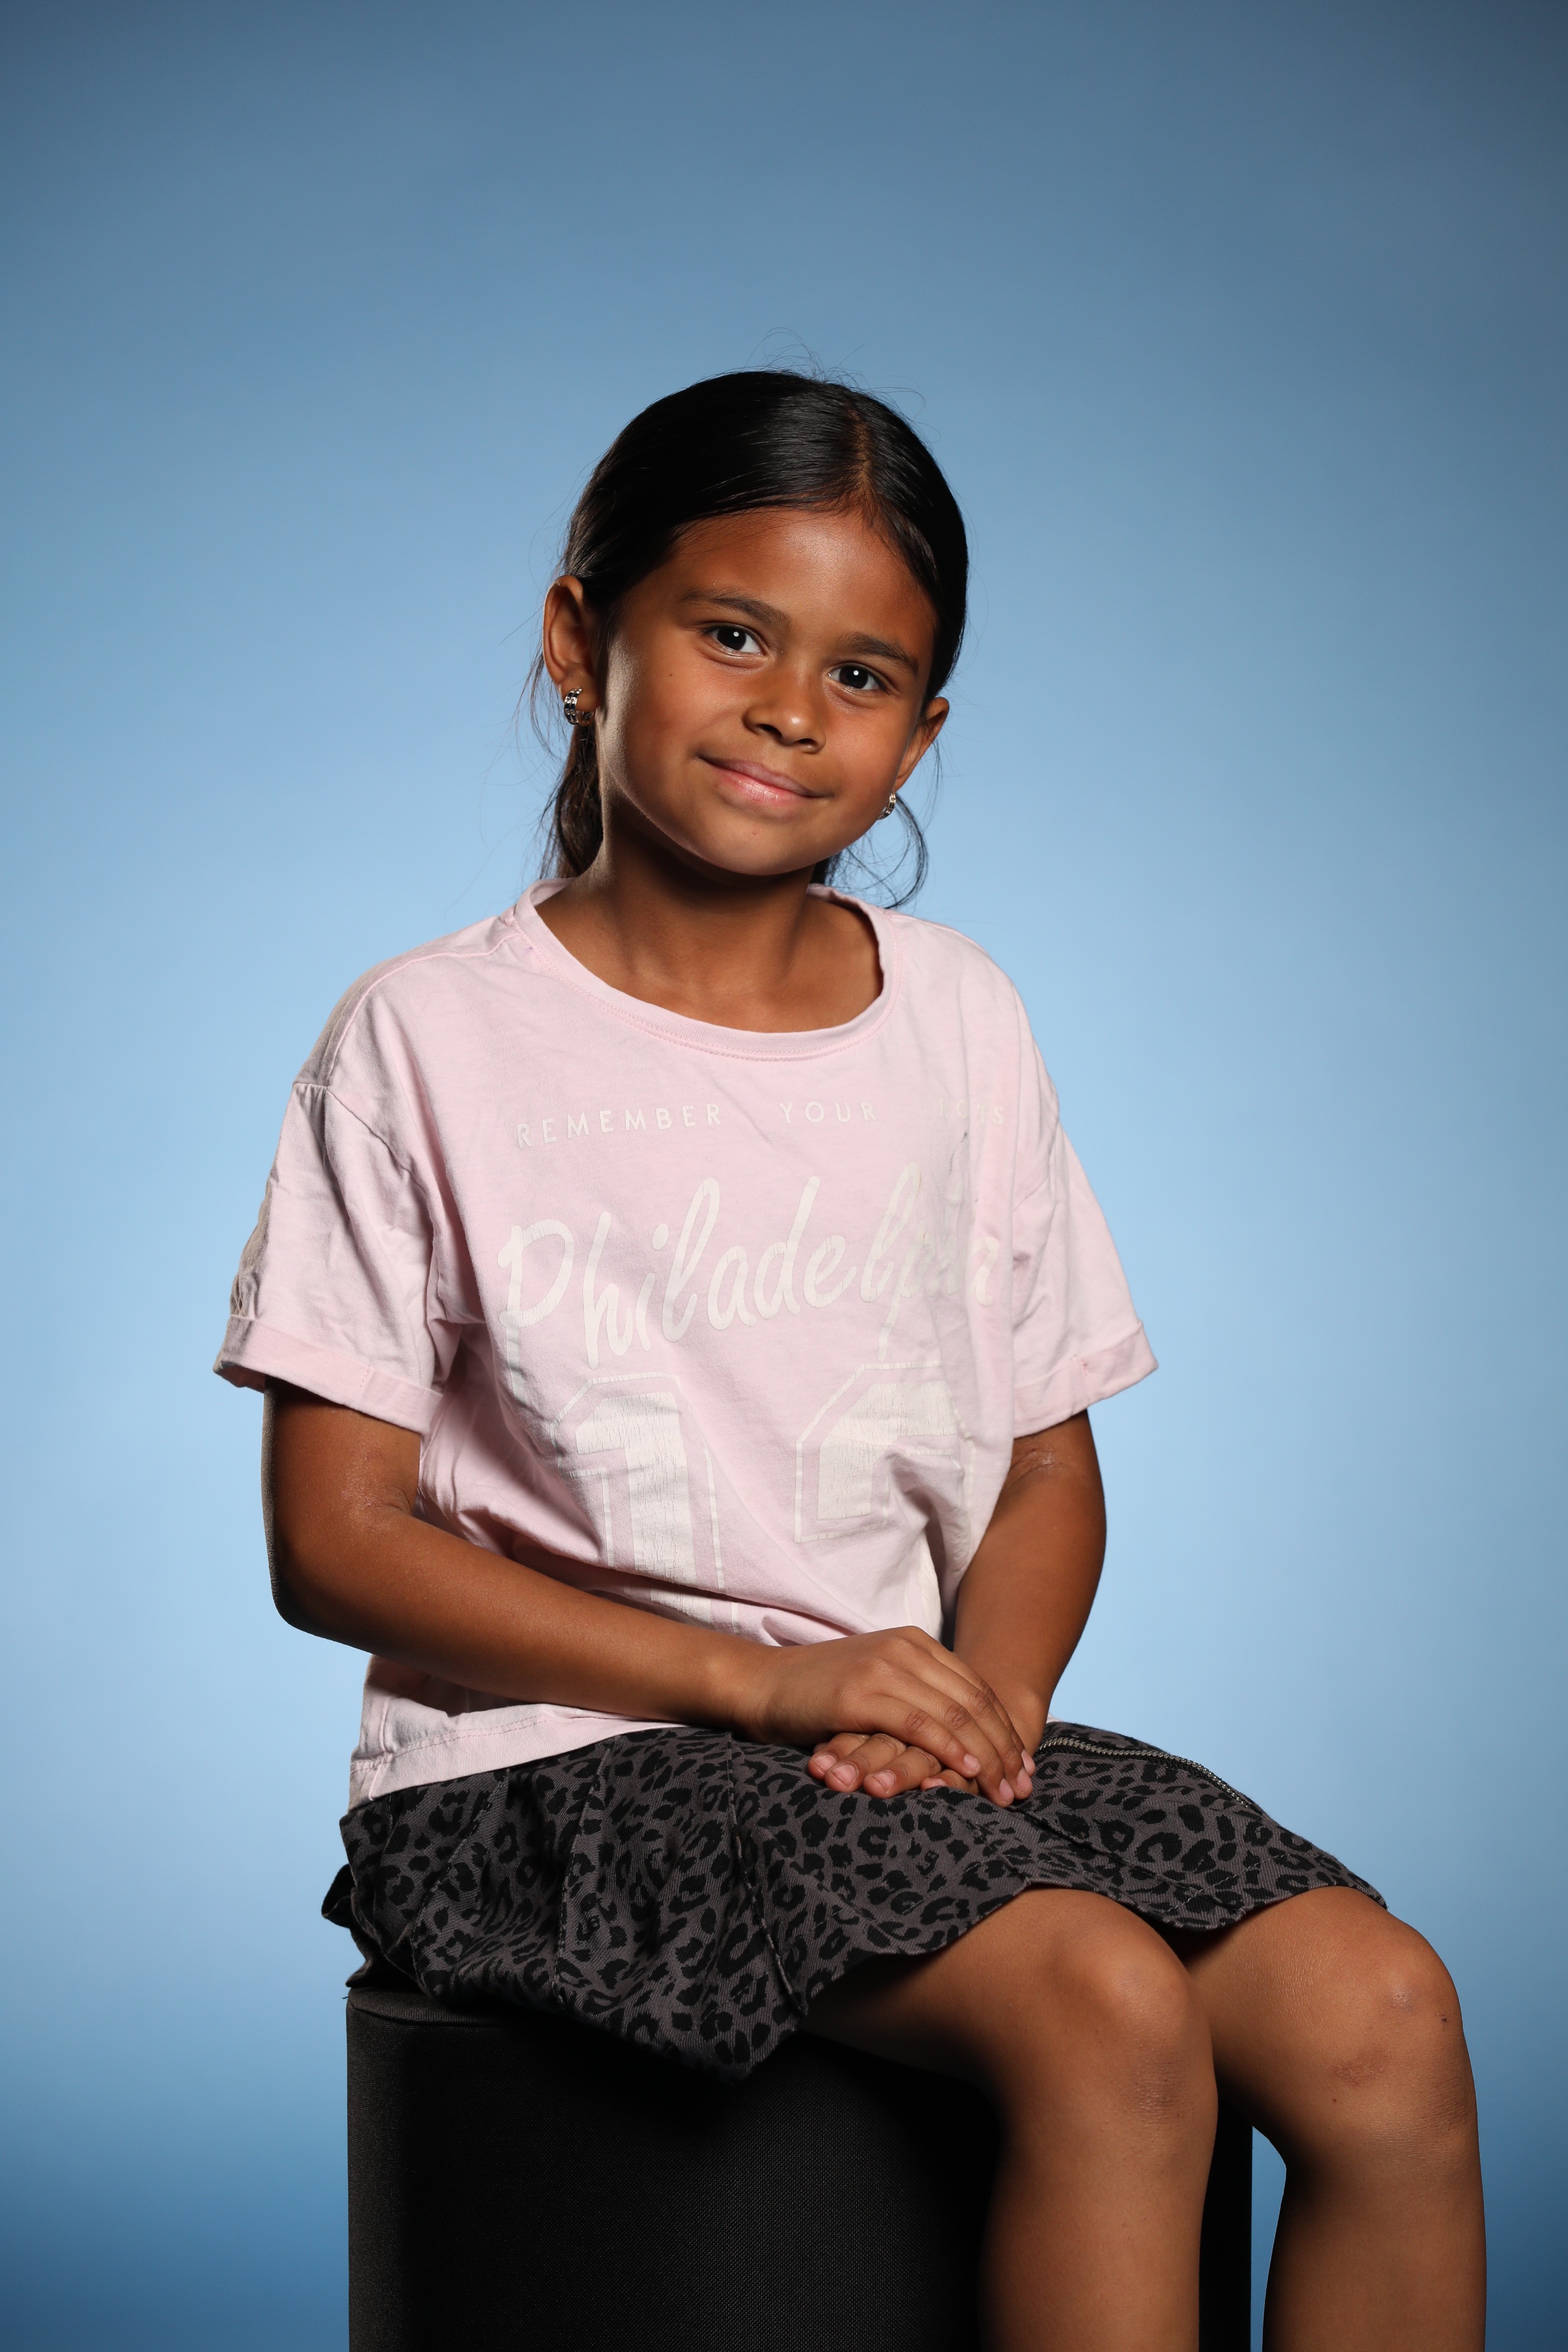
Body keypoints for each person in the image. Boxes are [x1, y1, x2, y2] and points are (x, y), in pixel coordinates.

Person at [217, 370, 1484, 2350]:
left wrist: (989, 1707)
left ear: (925, 733)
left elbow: (1044, 1459)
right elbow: (336, 1541)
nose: (794, 709)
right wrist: (769, 1680)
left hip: (888, 1751)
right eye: (734, 635)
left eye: (864, 675)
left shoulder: (962, 1017)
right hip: (544, 1773)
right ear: (580, 641)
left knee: (1384, 2011)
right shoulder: (424, 1040)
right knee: (1103, 2004)